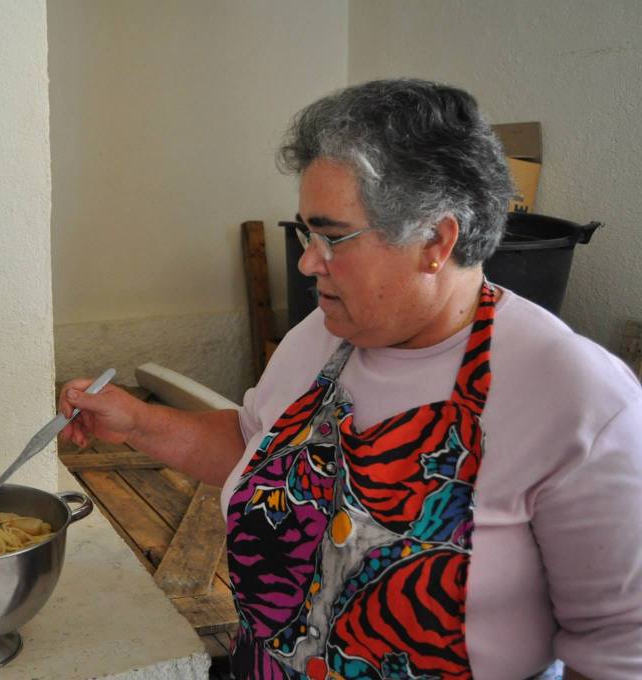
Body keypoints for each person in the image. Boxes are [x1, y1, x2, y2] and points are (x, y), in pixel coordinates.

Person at [58, 79, 642, 680]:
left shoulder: (575, 397)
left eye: (333, 237)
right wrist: (139, 423)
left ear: (436, 241)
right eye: (307, 233)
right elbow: (258, 446)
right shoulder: (318, 337)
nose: (309, 261)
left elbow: (619, 652)